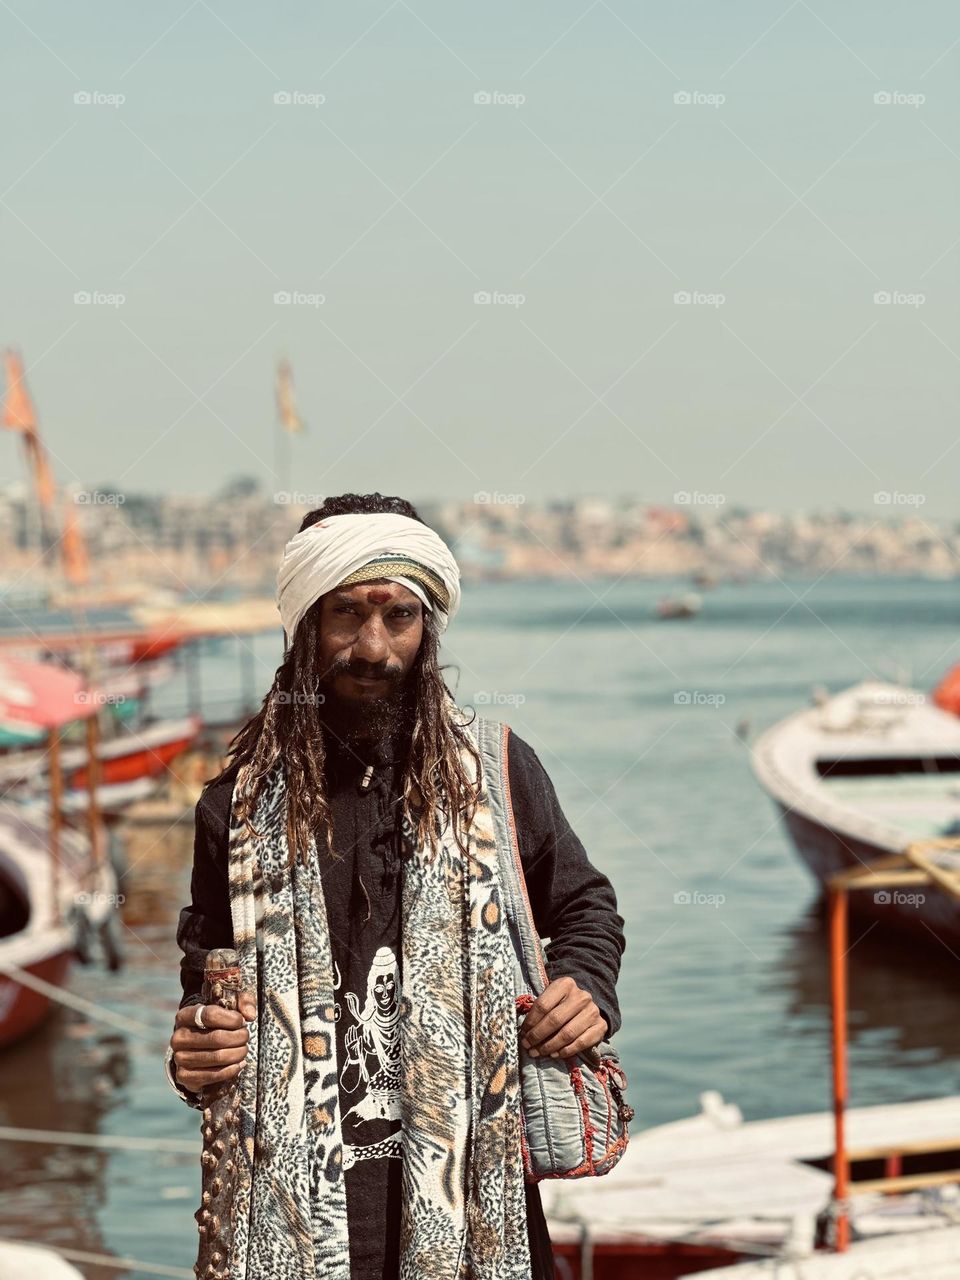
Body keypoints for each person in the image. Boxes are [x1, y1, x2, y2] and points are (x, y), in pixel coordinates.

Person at [165, 492, 626, 1280]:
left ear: (427, 628)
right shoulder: (235, 807)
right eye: (346, 615)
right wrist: (197, 1046)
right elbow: (207, 981)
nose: (373, 647)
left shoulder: (495, 771)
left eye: (398, 618)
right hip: (296, 1220)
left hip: (480, 1203)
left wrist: (585, 985)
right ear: (305, 624)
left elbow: (585, 906)